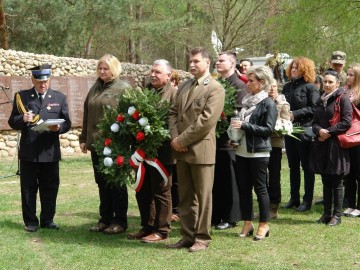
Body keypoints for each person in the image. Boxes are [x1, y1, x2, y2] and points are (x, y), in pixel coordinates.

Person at [168, 47, 225, 252]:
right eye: (190, 61)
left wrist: (181, 140)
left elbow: (206, 122)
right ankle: (187, 235)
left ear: (207, 63)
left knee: (203, 197)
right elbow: (173, 113)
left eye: (196, 61)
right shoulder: (184, 86)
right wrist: (175, 138)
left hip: (200, 151)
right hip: (181, 150)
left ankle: (202, 237)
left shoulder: (215, 89)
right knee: (185, 196)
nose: (192, 64)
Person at [8, 64, 71, 232]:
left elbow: (67, 122)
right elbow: (12, 121)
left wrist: (59, 128)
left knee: (50, 187)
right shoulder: (22, 97)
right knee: (28, 188)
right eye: (39, 81)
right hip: (29, 151)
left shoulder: (59, 98)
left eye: (46, 81)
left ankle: (48, 219)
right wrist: (22, 118)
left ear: (49, 79)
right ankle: (31, 221)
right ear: (33, 80)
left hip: (49, 152)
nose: (43, 85)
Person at [79, 54, 130, 235]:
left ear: (114, 69)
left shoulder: (123, 88)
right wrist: (84, 138)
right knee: (102, 182)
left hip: (114, 145)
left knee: (116, 183)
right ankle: (105, 219)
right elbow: (87, 113)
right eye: (100, 68)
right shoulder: (95, 87)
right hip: (96, 145)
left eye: (106, 68)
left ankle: (120, 221)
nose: (102, 71)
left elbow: (131, 116)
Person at [128, 59, 176, 243]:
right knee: (143, 191)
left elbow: (173, 123)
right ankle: (147, 226)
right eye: (152, 71)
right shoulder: (145, 92)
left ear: (168, 75)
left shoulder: (174, 95)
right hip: (142, 152)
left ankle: (162, 230)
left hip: (162, 153)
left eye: (157, 72)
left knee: (162, 191)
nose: (153, 75)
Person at [231, 66, 277, 241]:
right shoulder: (247, 101)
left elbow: (268, 130)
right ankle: (247, 222)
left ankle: (264, 224)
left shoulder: (268, 103)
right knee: (244, 189)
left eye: (251, 81)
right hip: (241, 150)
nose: (247, 84)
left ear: (262, 82)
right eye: (248, 80)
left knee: (260, 189)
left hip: (259, 152)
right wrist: (234, 137)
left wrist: (244, 126)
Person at [310, 70, 352, 226]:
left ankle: (337, 215)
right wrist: (319, 130)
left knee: (337, 180)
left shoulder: (343, 99)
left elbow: (347, 122)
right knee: (326, 179)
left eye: (330, 82)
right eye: (325, 82)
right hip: (321, 144)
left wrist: (328, 131)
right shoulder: (320, 100)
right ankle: (327, 214)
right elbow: (314, 122)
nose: (327, 85)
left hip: (336, 146)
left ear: (337, 83)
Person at [211, 51, 247, 230]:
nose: (217, 63)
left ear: (232, 64)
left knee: (230, 179)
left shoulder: (239, 85)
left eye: (221, 60)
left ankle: (231, 217)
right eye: (217, 60)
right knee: (217, 179)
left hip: (229, 140)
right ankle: (216, 214)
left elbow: (237, 114)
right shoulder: (216, 83)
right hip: (214, 138)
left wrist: (234, 138)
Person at [282, 57, 319, 212]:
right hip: (289, 130)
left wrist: (294, 114)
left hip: (304, 130)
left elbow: (315, 108)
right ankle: (294, 198)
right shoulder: (286, 87)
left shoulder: (310, 87)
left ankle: (307, 200)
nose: (294, 70)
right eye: (293, 67)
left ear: (305, 70)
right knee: (293, 166)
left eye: (297, 67)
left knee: (306, 166)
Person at [267, 78, 291, 218]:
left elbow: (286, 124)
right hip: (261, 143)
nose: (272, 89)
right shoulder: (261, 101)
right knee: (263, 177)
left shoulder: (282, 104)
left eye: (274, 86)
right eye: (269, 86)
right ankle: (265, 205)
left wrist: (275, 126)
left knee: (274, 177)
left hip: (275, 144)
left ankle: (274, 207)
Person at [343, 64, 360, 217]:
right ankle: (350, 204)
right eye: (347, 74)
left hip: (358, 138)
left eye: (351, 75)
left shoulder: (359, 94)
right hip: (346, 138)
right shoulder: (344, 92)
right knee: (349, 173)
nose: (347, 77)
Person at [169, 69, 180, 222]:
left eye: (173, 80)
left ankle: (176, 208)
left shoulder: (177, 95)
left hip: (176, 140)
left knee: (176, 179)